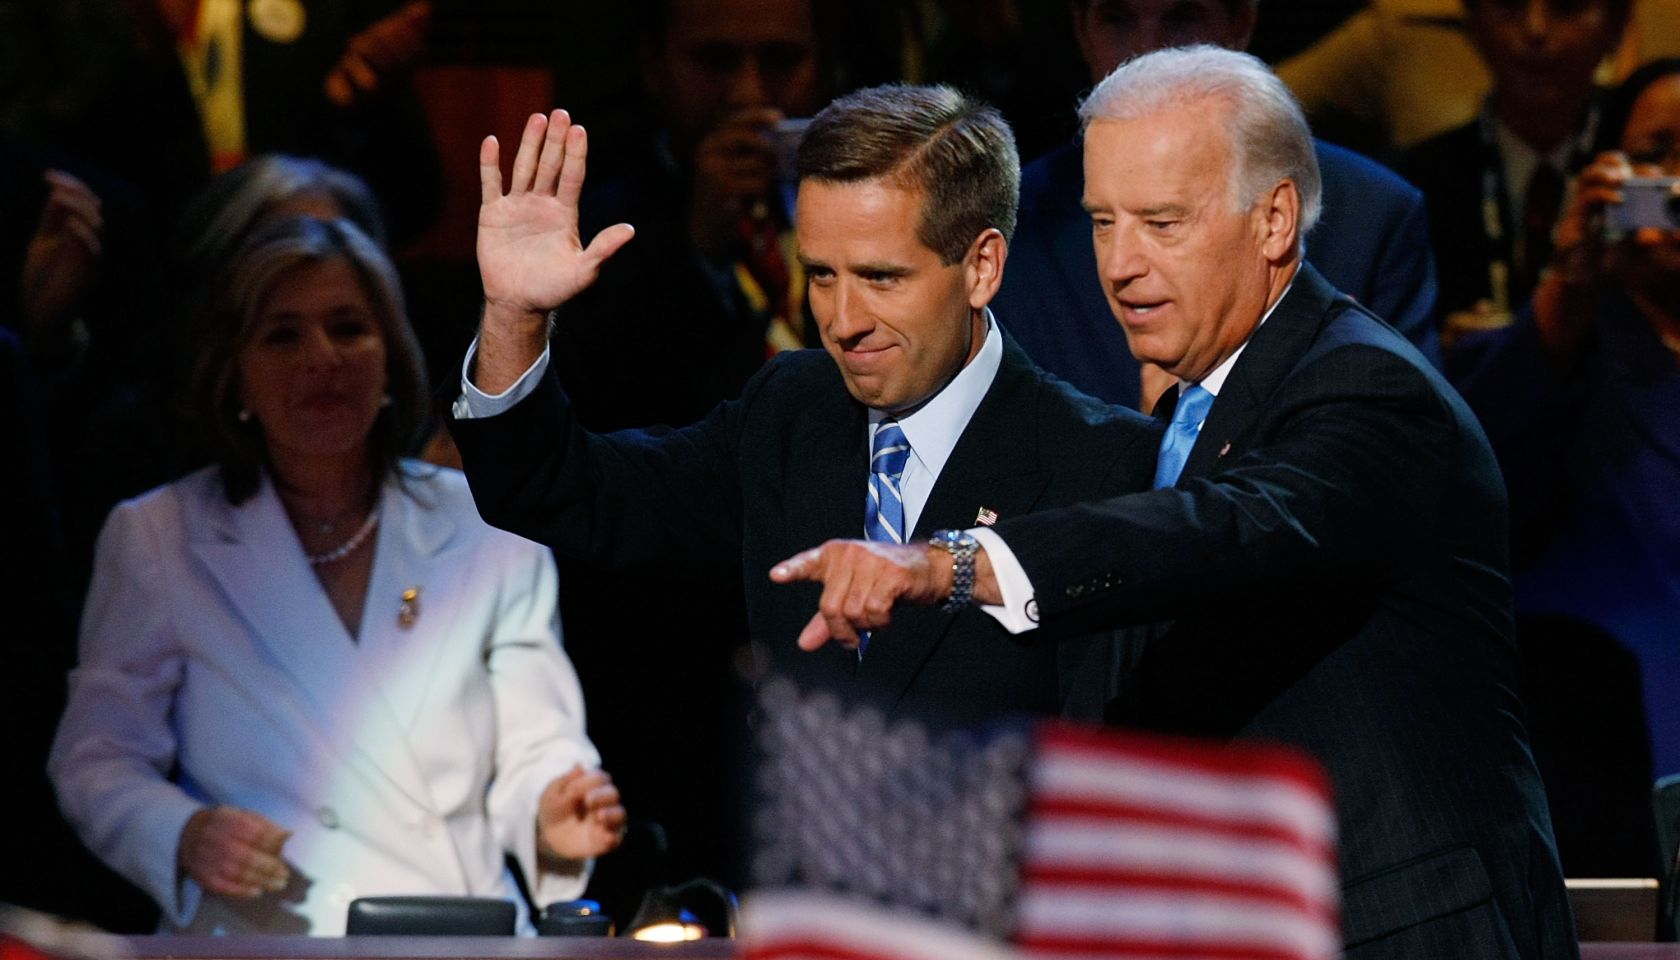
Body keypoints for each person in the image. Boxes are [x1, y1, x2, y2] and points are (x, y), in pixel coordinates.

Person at [772, 47, 1575, 958]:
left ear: (1274, 220)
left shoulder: (1364, 386)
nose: (1118, 264)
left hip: (1404, 929)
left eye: (1161, 222)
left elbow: (1233, 528)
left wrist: (948, 562)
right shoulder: (1183, 410)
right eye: (1102, 223)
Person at [448, 87, 1161, 724]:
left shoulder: (1100, 462)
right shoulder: (789, 410)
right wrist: (513, 314)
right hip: (795, 871)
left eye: (881, 278)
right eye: (821, 275)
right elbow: (558, 490)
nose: (843, 319)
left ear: (982, 266)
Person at [48, 216, 624, 935]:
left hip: (461, 932)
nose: (322, 357)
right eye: (283, 335)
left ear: (390, 356)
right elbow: (96, 760)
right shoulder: (160, 537)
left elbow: (538, 741)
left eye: (348, 328)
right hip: (265, 939)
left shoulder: (487, 523)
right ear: (236, 373)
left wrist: (551, 810)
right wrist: (185, 834)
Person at [993, 0, 1440, 413]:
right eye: (1119, 20)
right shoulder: (1009, 227)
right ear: (1082, 30)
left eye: (1181, 18)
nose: (1147, 51)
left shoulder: (1371, 213)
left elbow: (1405, 452)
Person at [1454, 57, 1680, 801]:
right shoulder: (1561, 344)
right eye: (1654, 157)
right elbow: (1470, 493)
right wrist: (1567, 285)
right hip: (1600, 759)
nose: (1677, 185)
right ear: (1604, 176)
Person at [1400, 0, 1632, 347]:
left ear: (1616, 25)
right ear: (1474, 24)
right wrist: (1430, 355)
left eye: (1565, 8)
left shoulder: (1643, 171)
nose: (1535, 30)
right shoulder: (1412, 185)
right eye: (1510, 6)